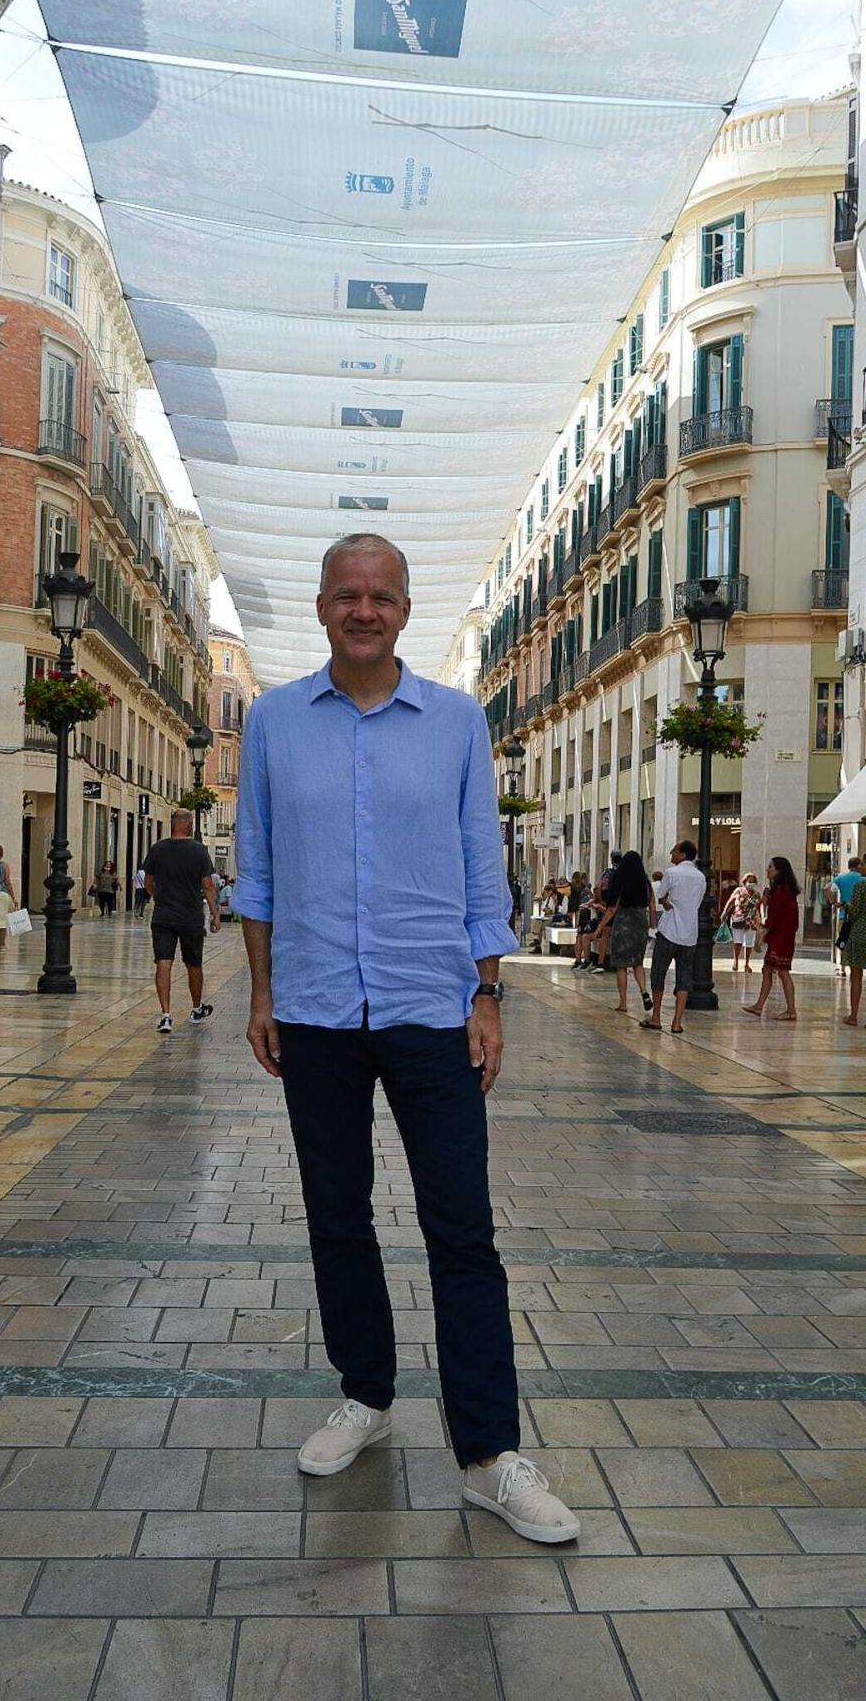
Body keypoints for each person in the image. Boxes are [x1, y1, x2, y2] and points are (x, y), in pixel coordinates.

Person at [234, 532, 579, 1546]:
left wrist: (490, 995)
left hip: (434, 1004)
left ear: (405, 607)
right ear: (321, 603)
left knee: (461, 1228)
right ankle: (366, 1392)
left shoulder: (460, 722)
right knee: (337, 1215)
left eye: (381, 593)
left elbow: (485, 865)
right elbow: (256, 867)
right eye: (347, 592)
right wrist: (261, 990)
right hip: (314, 1007)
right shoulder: (273, 722)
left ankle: (487, 1454)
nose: (364, 608)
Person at [144, 810, 220, 1032]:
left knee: (163, 963)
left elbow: (148, 881)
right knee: (193, 964)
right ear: (189, 825)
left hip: (163, 915)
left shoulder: (158, 848)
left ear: (172, 825)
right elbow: (208, 886)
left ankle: (166, 1015)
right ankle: (196, 1008)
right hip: (191, 916)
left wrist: (158, 897)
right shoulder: (199, 851)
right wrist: (215, 914)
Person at [640, 840, 706, 1035]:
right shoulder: (701, 877)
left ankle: (656, 1016)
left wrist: (667, 900)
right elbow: (698, 901)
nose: (671, 854)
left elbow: (660, 895)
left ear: (683, 854)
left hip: (669, 931)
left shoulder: (671, 873)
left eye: (674, 851)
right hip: (689, 934)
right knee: (684, 977)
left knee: (658, 972)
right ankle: (677, 1022)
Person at [594, 849, 656, 1015]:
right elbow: (652, 906)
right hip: (640, 924)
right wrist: (653, 927)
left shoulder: (621, 881)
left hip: (623, 925)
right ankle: (643, 991)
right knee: (637, 963)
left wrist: (600, 927)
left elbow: (612, 909)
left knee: (621, 966)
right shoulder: (646, 883)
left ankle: (623, 1002)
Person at [745, 857, 800, 1021]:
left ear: (778, 871)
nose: (767, 870)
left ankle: (791, 1010)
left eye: (770, 867)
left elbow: (775, 916)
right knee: (767, 970)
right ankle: (759, 1005)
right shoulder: (783, 890)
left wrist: (762, 935)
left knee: (782, 972)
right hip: (782, 936)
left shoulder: (782, 891)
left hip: (781, 938)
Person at [829, 857, 864, 977]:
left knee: (841, 941)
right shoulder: (862, 880)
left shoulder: (840, 878)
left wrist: (834, 902)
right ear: (858, 866)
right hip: (858, 918)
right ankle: (854, 967)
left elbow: (828, 888)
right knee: (855, 943)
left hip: (844, 916)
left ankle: (840, 967)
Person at [721, 873, 762, 973]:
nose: (751, 883)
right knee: (737, 941)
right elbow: (730, 902)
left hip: (751, 921)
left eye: (753, 881)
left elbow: (759, 907)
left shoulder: (756, 894)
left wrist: (760, 920)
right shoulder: (738, 891)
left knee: (749, 943)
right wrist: (725, 912)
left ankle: (747, 963)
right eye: (749, 881)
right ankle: (736, 961)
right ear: (744, 882)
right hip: (738, 918)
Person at [842, 876, 866, 1025]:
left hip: (860, 933)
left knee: (856, 976)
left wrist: (845, 905)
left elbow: (854, 911)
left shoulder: (861, 886)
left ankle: (853, 1016)